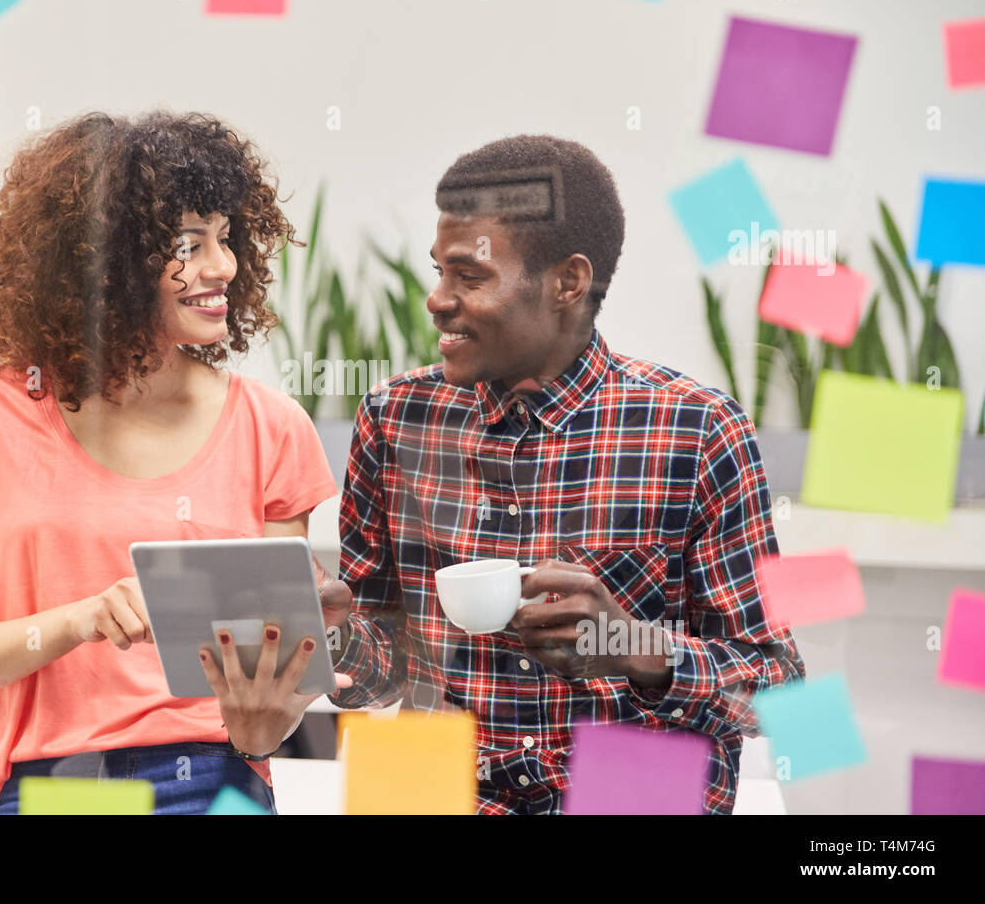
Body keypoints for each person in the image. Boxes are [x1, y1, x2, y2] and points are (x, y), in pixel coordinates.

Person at [325, 135, 806, 814]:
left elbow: (776, 687)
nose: (436, 299)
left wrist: (634, 647)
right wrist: (330, 633)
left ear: (567, 283)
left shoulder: (697, 430)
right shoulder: (396, 417)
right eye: (439, 272)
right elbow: (382, 668)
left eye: (468, 276)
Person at [0, 110, 344, 815]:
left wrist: (277, 706)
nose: (223, 266)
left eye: (226, 237)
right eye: (189, 244)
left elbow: (266, 717)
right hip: (50, 786)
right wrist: (76, 621)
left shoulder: (271, 427)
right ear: (107, 264)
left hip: (213, 776)